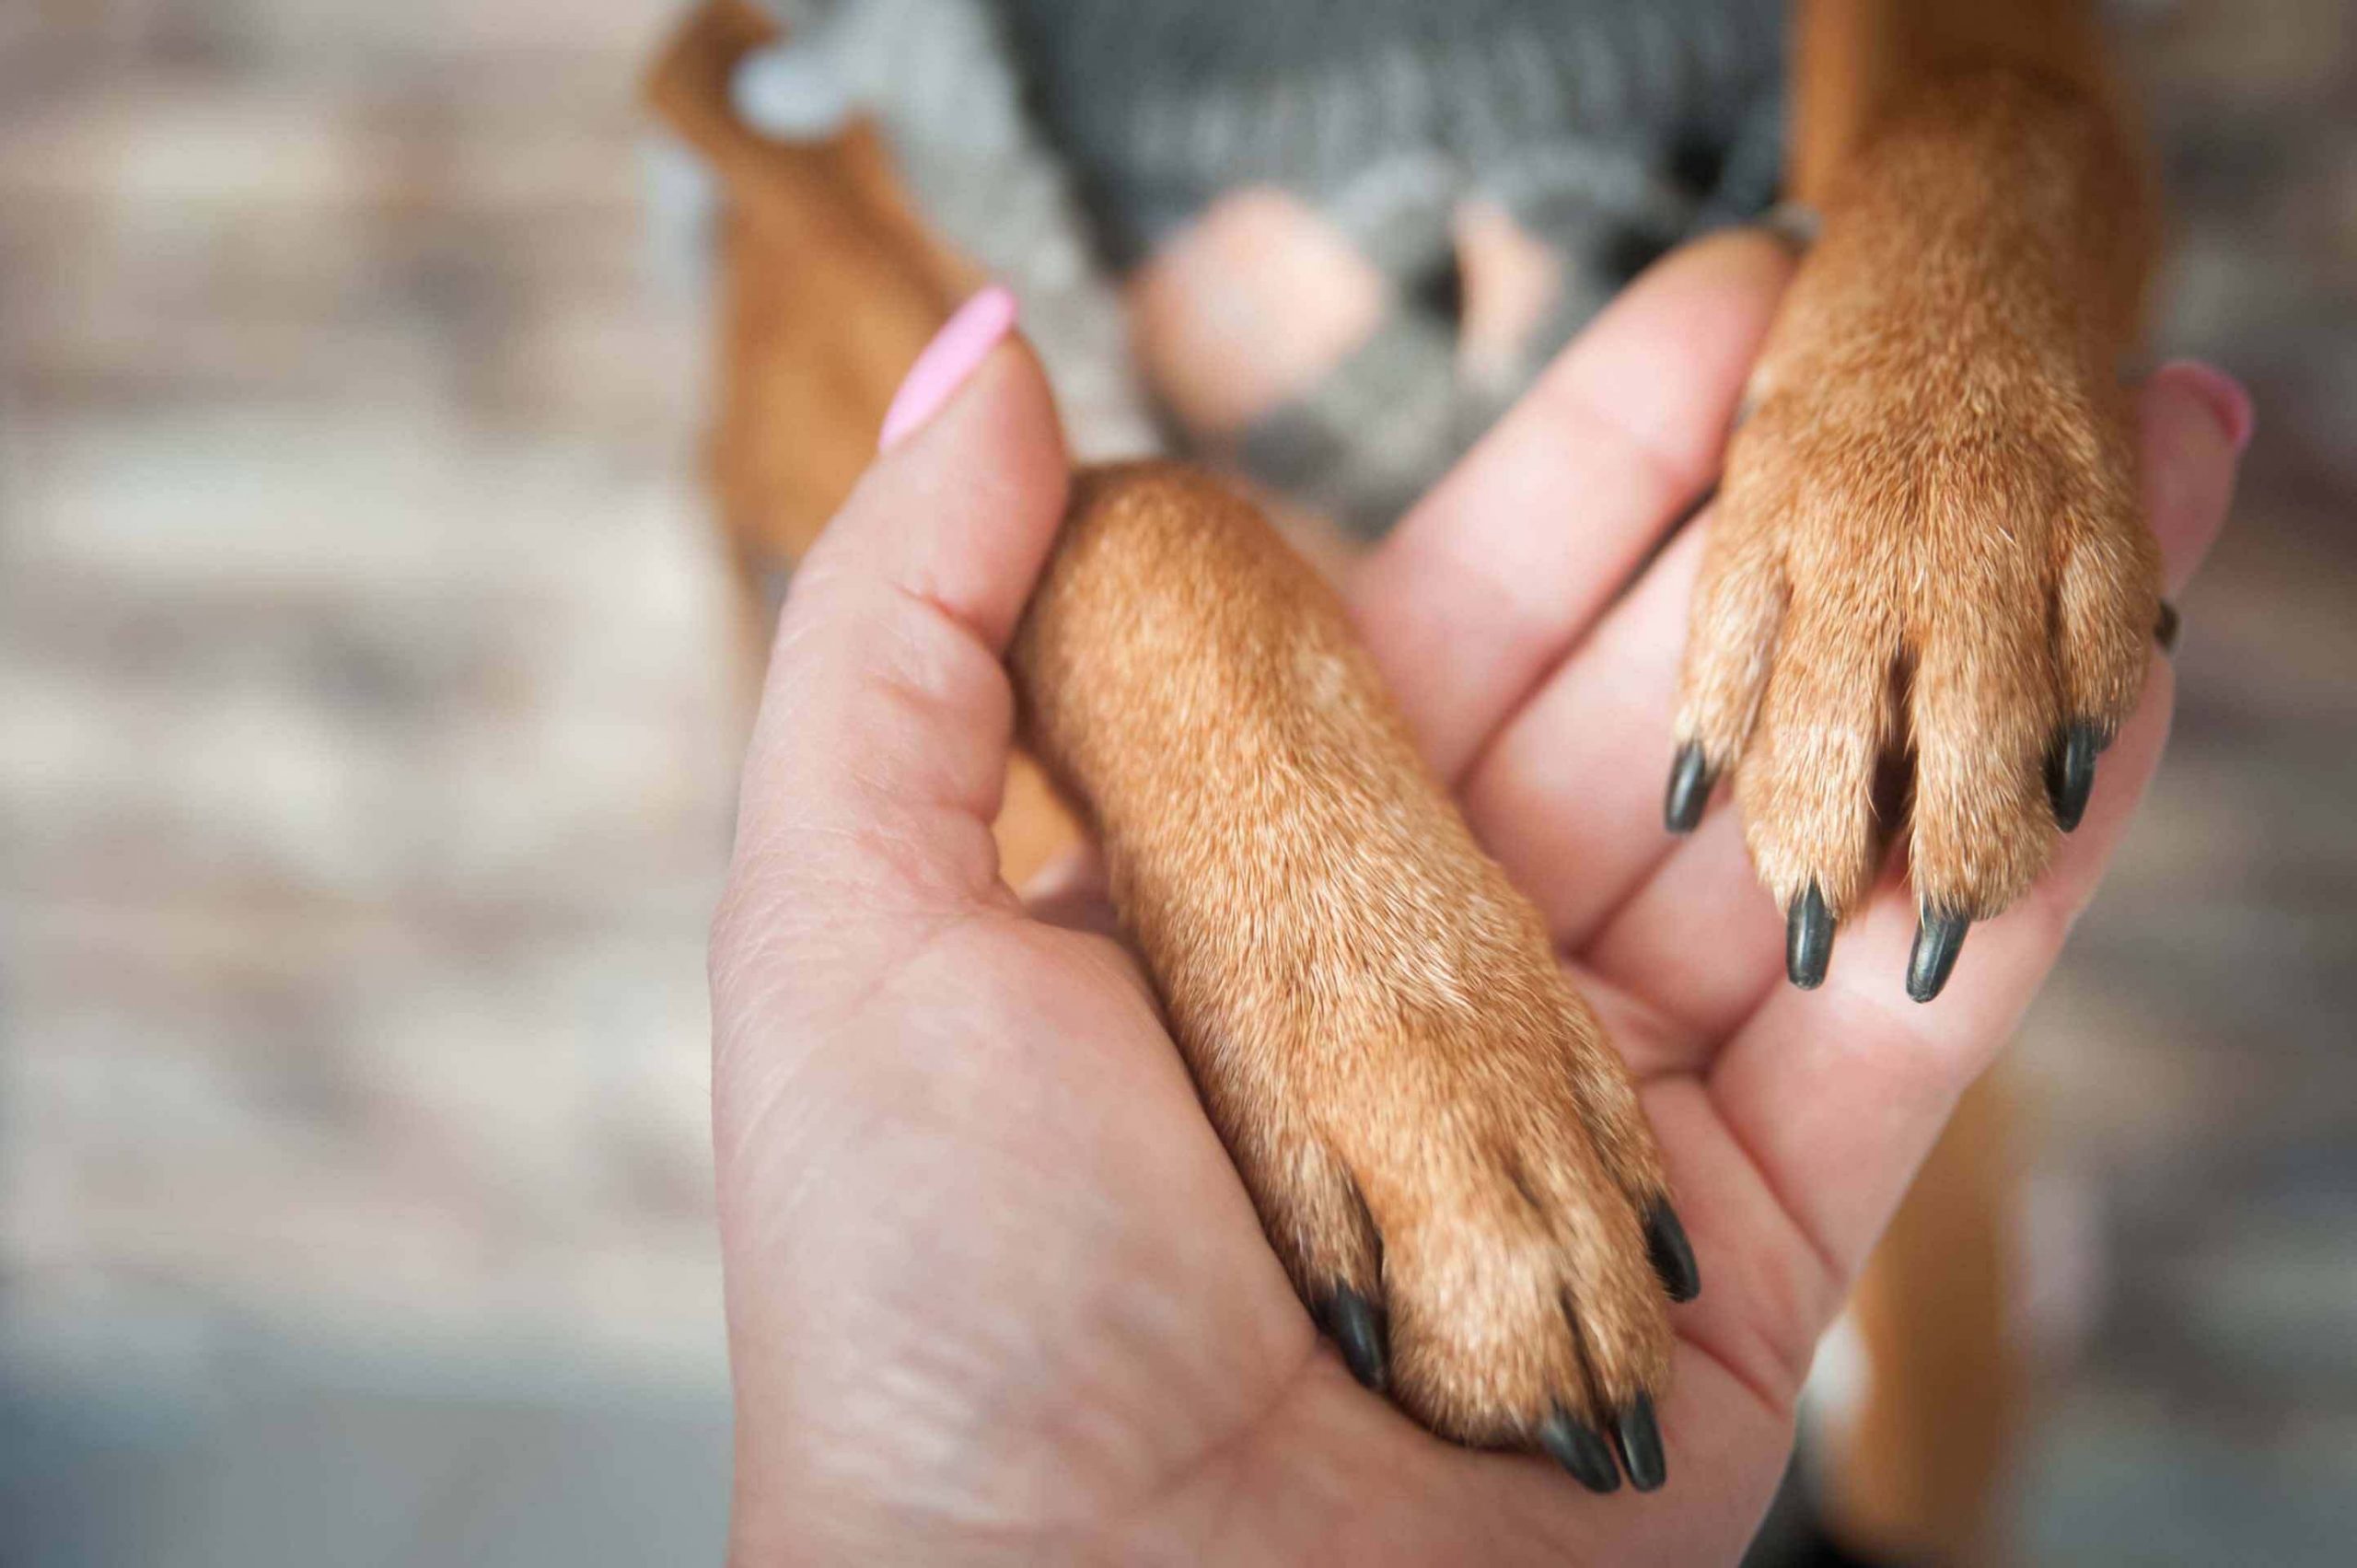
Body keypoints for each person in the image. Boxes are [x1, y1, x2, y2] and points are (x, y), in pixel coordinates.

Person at [705, 234, 2250, 1563]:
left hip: (1783, 1039)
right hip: (1587, 1064)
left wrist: (1975, 247)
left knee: (1928, 1417)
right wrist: (1181, 691)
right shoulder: (833, 129)